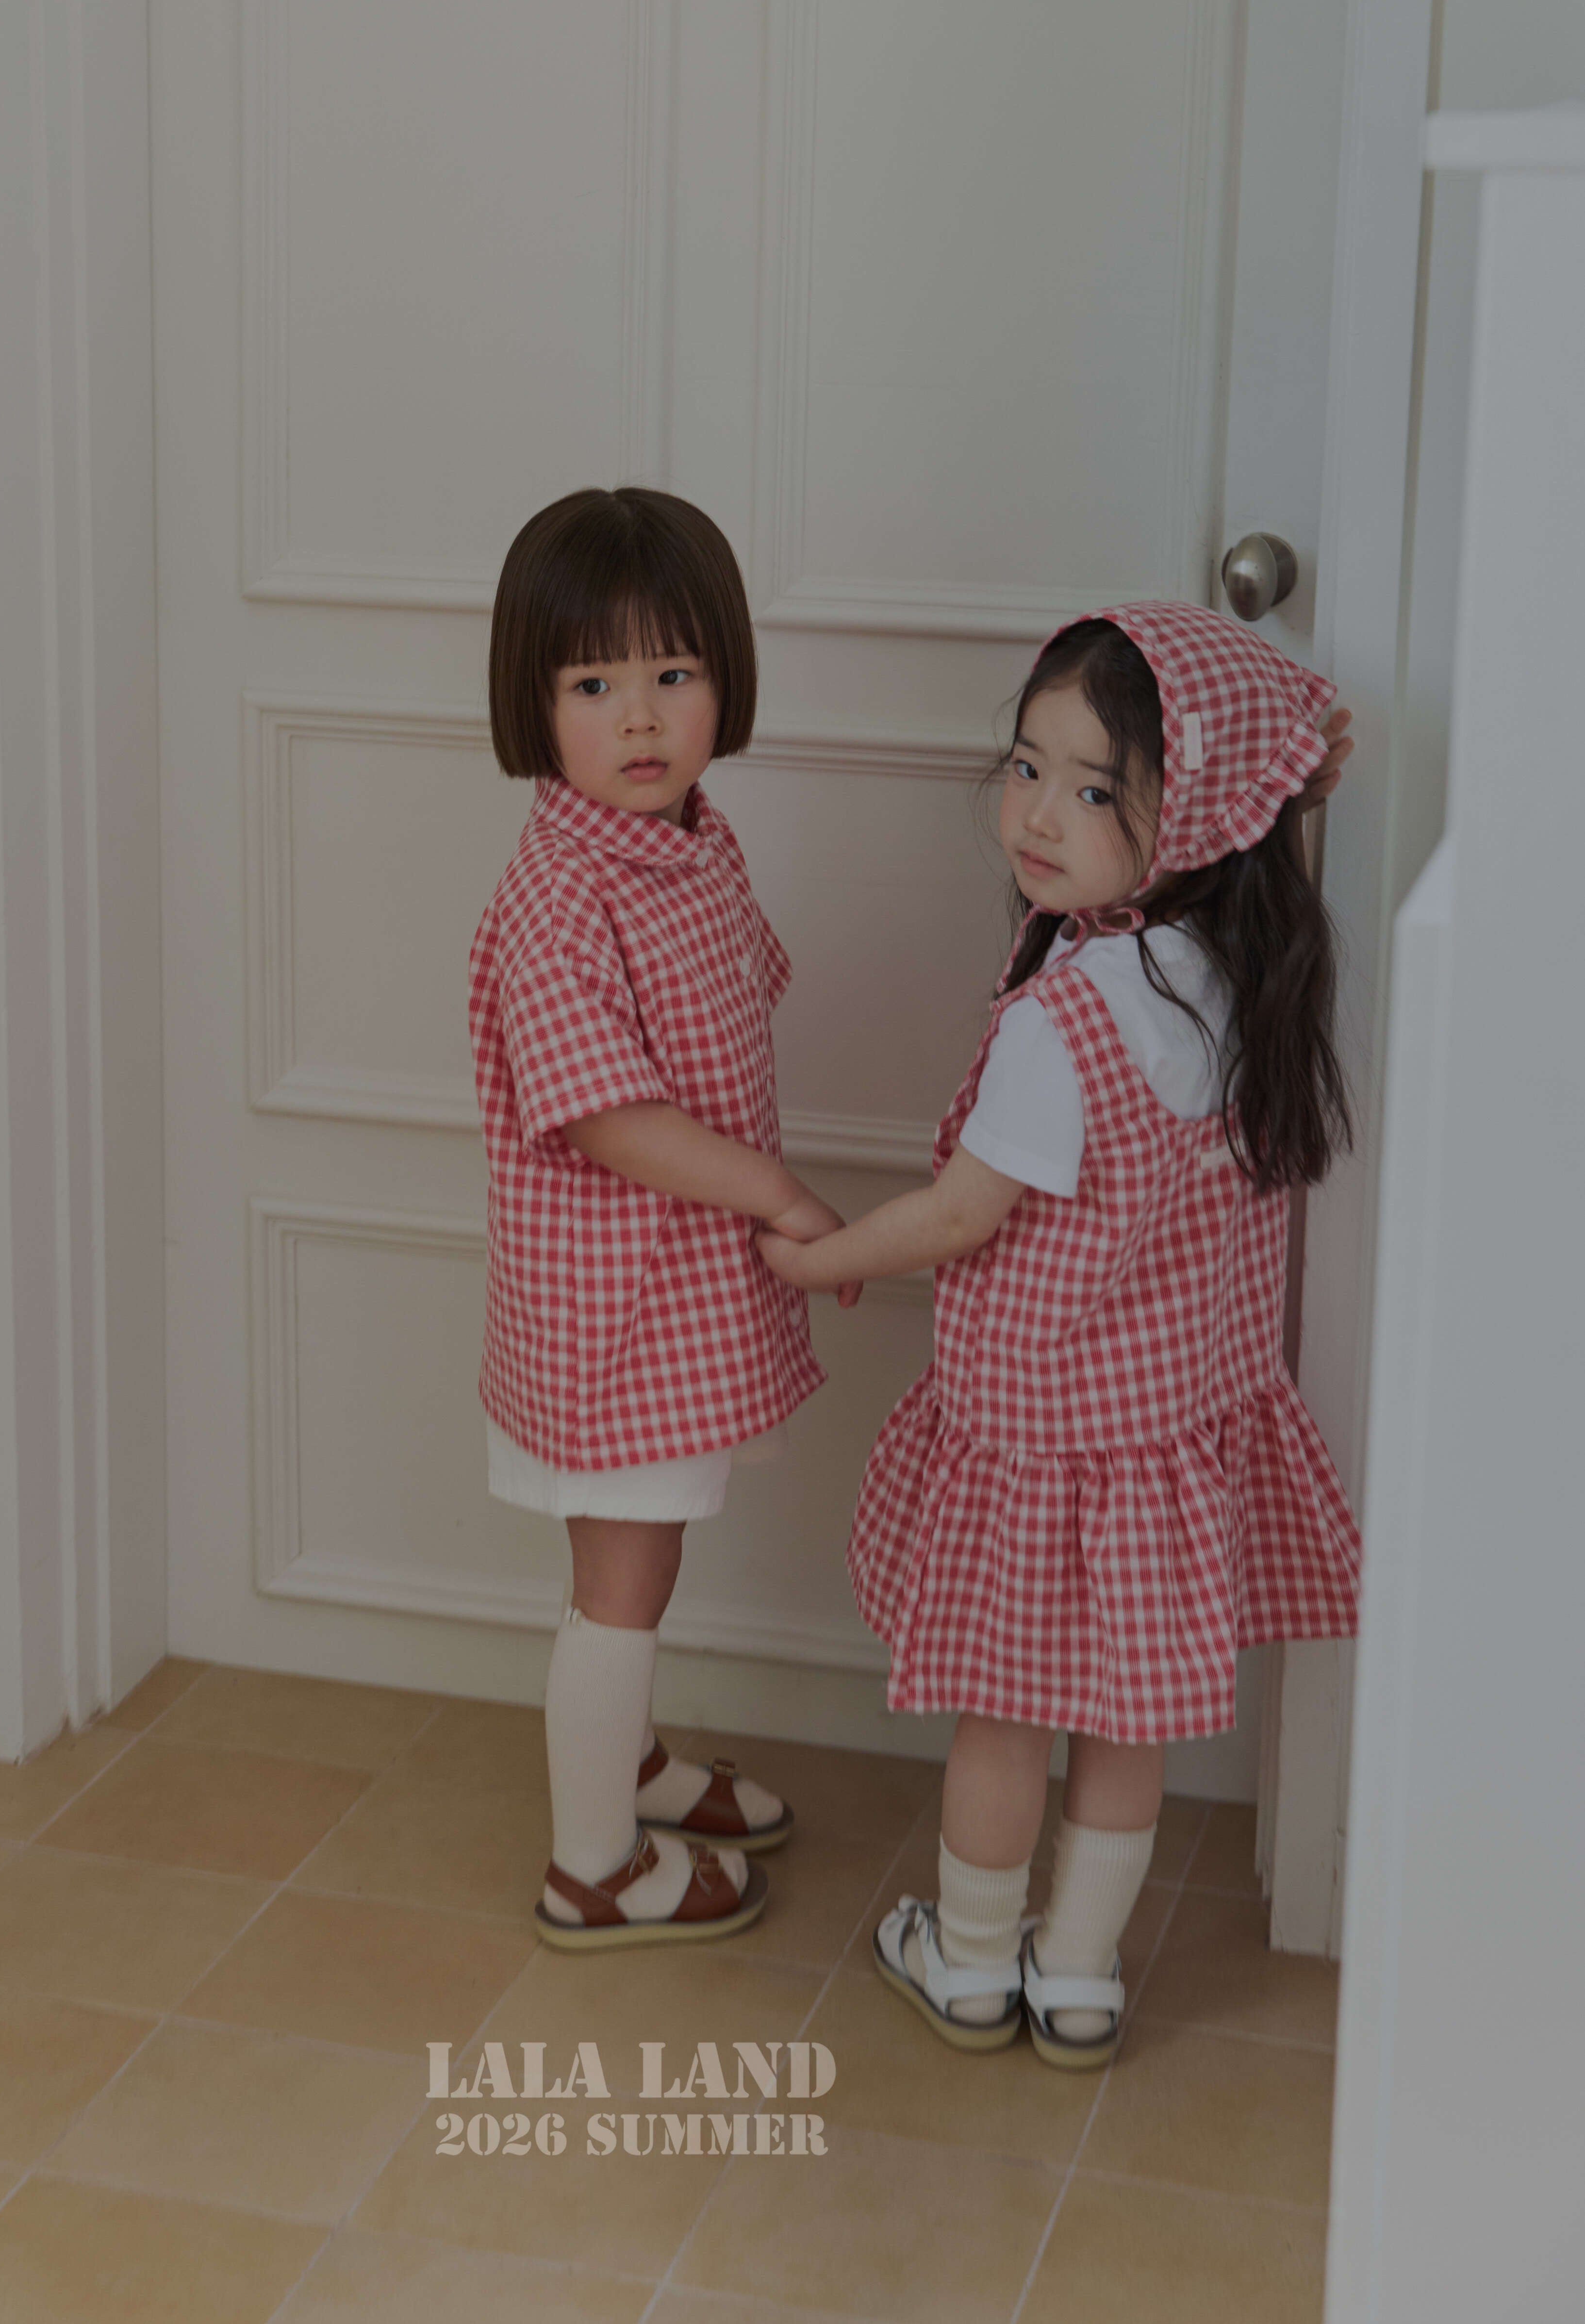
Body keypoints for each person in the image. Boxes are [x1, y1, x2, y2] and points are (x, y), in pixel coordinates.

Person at [759, 604, 1362, 2066]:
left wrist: (823, 1256)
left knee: (1004, 1720)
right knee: (1123, 1725)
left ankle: (972, 1965)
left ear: (1197, 817)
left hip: (1041, 1448)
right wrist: (1294, 780)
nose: (1035, 815)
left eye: (1095, 791)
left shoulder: (1070, 1018)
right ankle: (1079, 1977)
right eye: (1028, 768)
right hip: (1165, 1446)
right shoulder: (1241, 983)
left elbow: (962, 1215)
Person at [471, 485, 859, 1950]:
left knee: (649, 1557)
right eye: (592, 685)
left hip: (672, 1296)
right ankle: (593, 1866)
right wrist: (777, 1191)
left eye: (673, 673)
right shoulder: (561, 893)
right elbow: (605, 1116)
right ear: (533, 701)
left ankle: (623, 1764)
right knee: (620, 1583)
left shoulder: (689, 839)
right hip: (613, 1313)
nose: (639, 717)